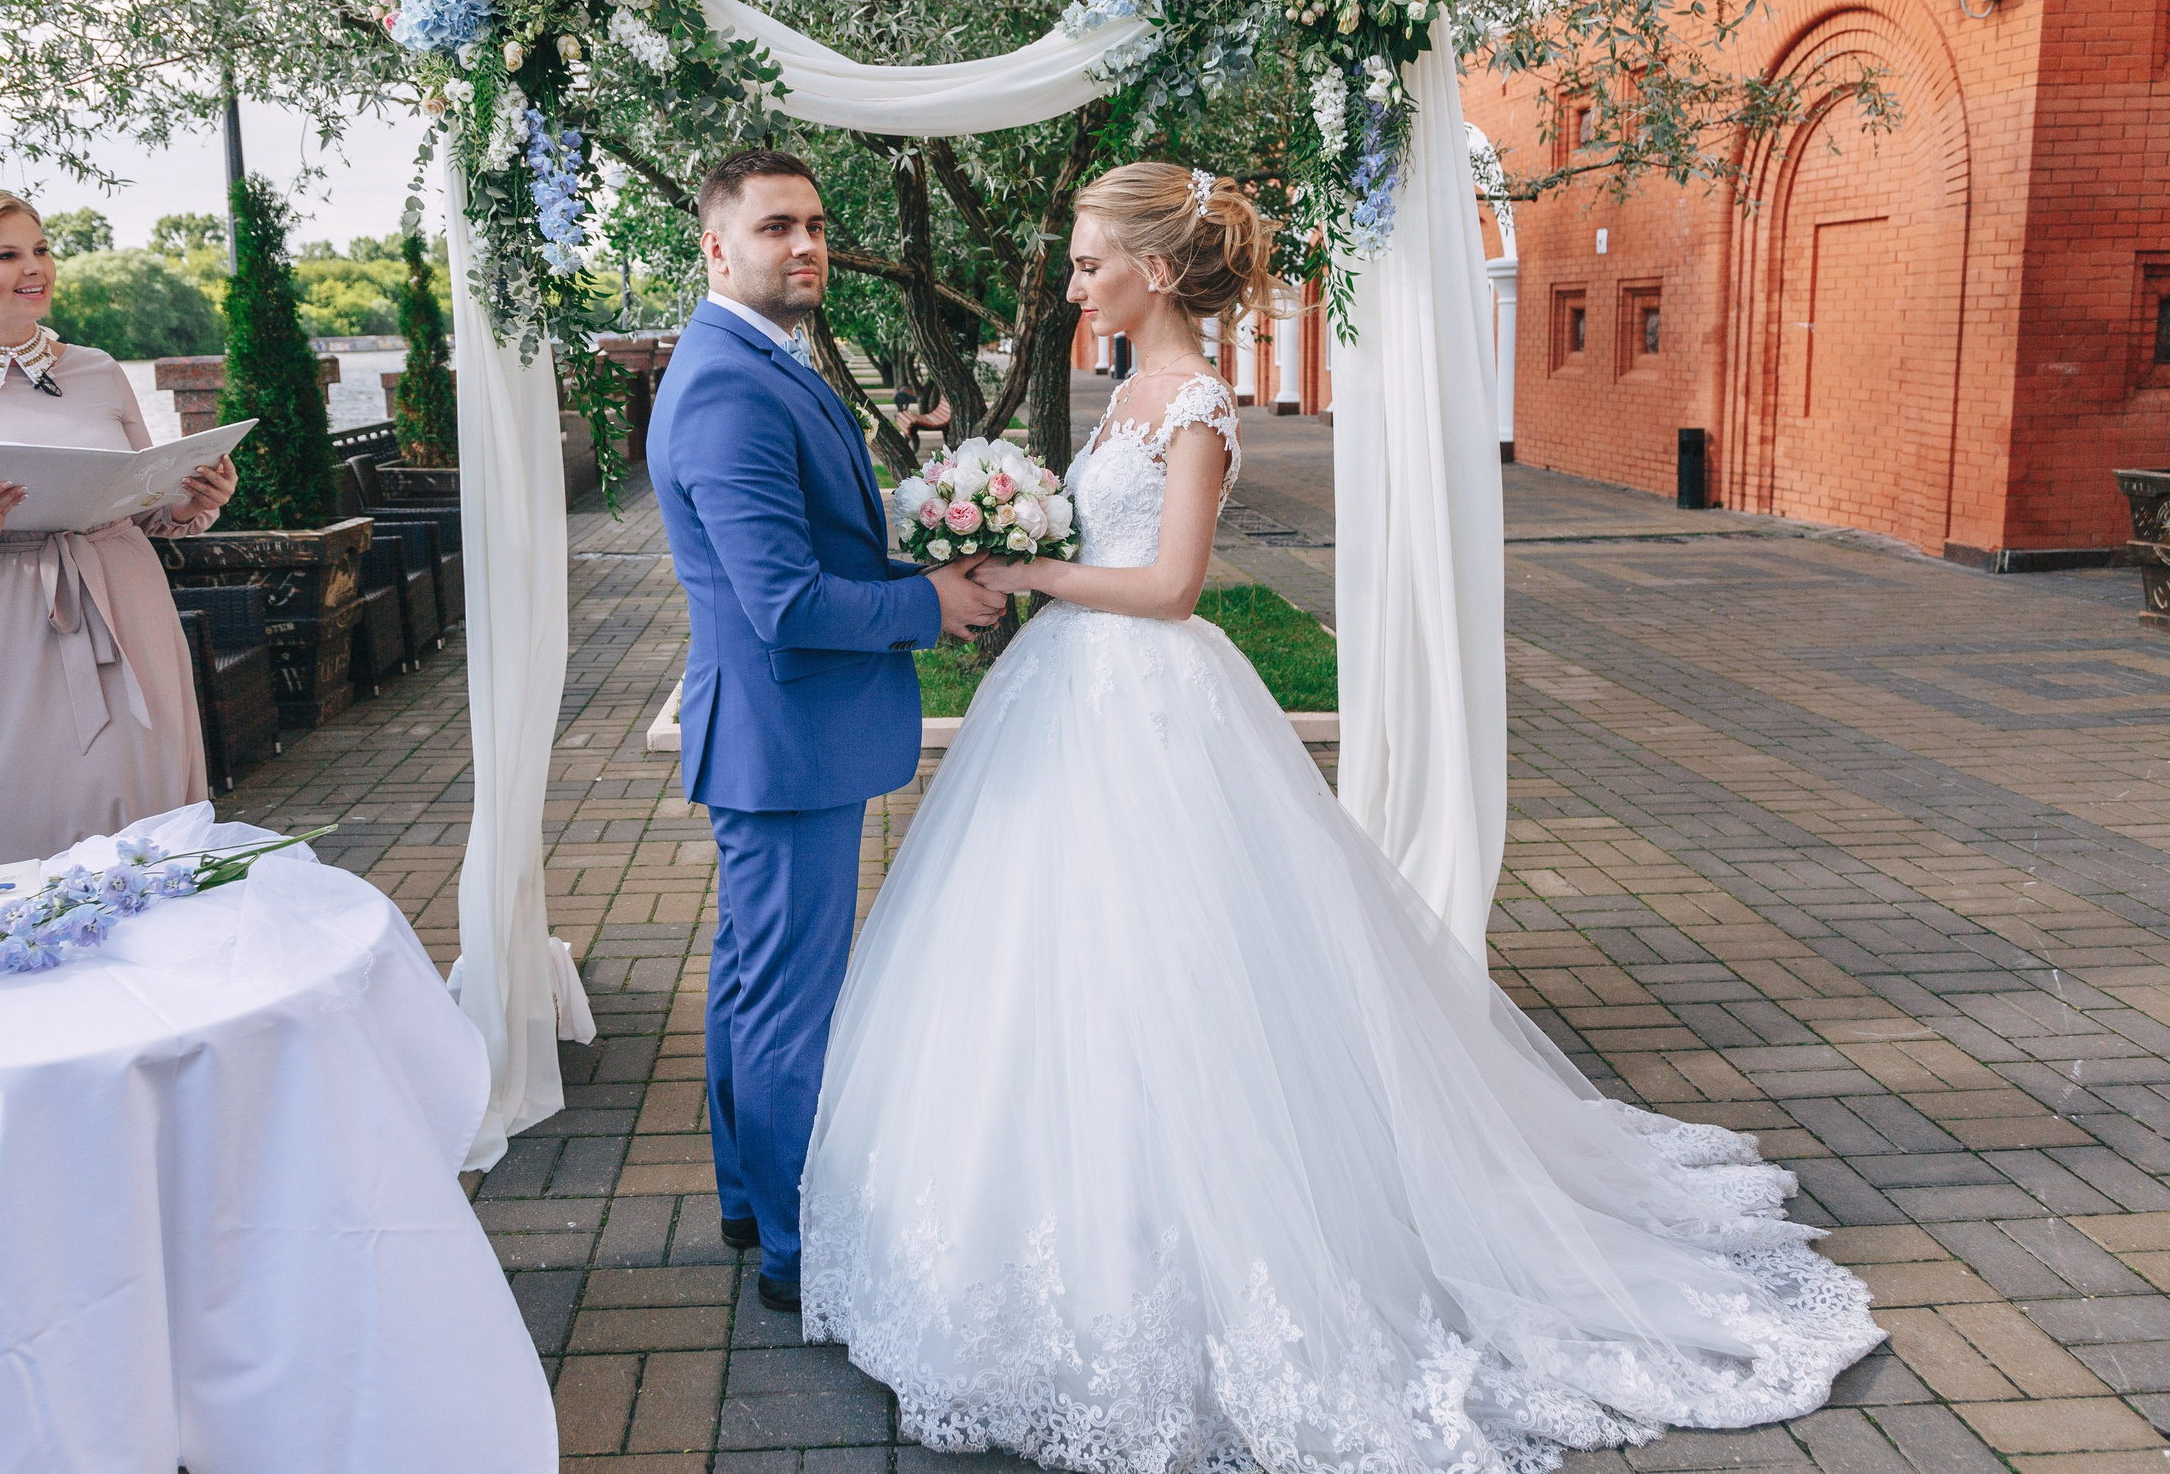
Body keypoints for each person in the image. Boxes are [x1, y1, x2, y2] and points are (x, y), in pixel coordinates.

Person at [799, 163, 1884, 1471]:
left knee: (1183, 969)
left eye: (1091, 261)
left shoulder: (1195, 403)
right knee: (1054, 962)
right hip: (1067, 698)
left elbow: (1176, 583)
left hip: (1151, 698)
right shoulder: (1119, 396)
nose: (1075, 284)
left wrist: (1029, 565)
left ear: (1154, 265)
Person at [646, 149, 1005, 1315]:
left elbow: (813, 537)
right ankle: (804, 1256)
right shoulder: (723, 384)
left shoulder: (763, 357)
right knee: (791, 1002)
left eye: (815, 226)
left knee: (754, 983)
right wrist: (930, 606)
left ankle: (754, 1204)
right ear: (715, 246)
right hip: (784, 736)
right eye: (774, 229)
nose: (805, 246)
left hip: (777, 734)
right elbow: (786, 603)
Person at [0, 186, 238, 883]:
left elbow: (142, 497)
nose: (36, 268)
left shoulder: (96, 368)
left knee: (133, 805)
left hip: (126, 610)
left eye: (42, 249)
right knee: (1, 806)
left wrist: (190, 499)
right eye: (7, 254)